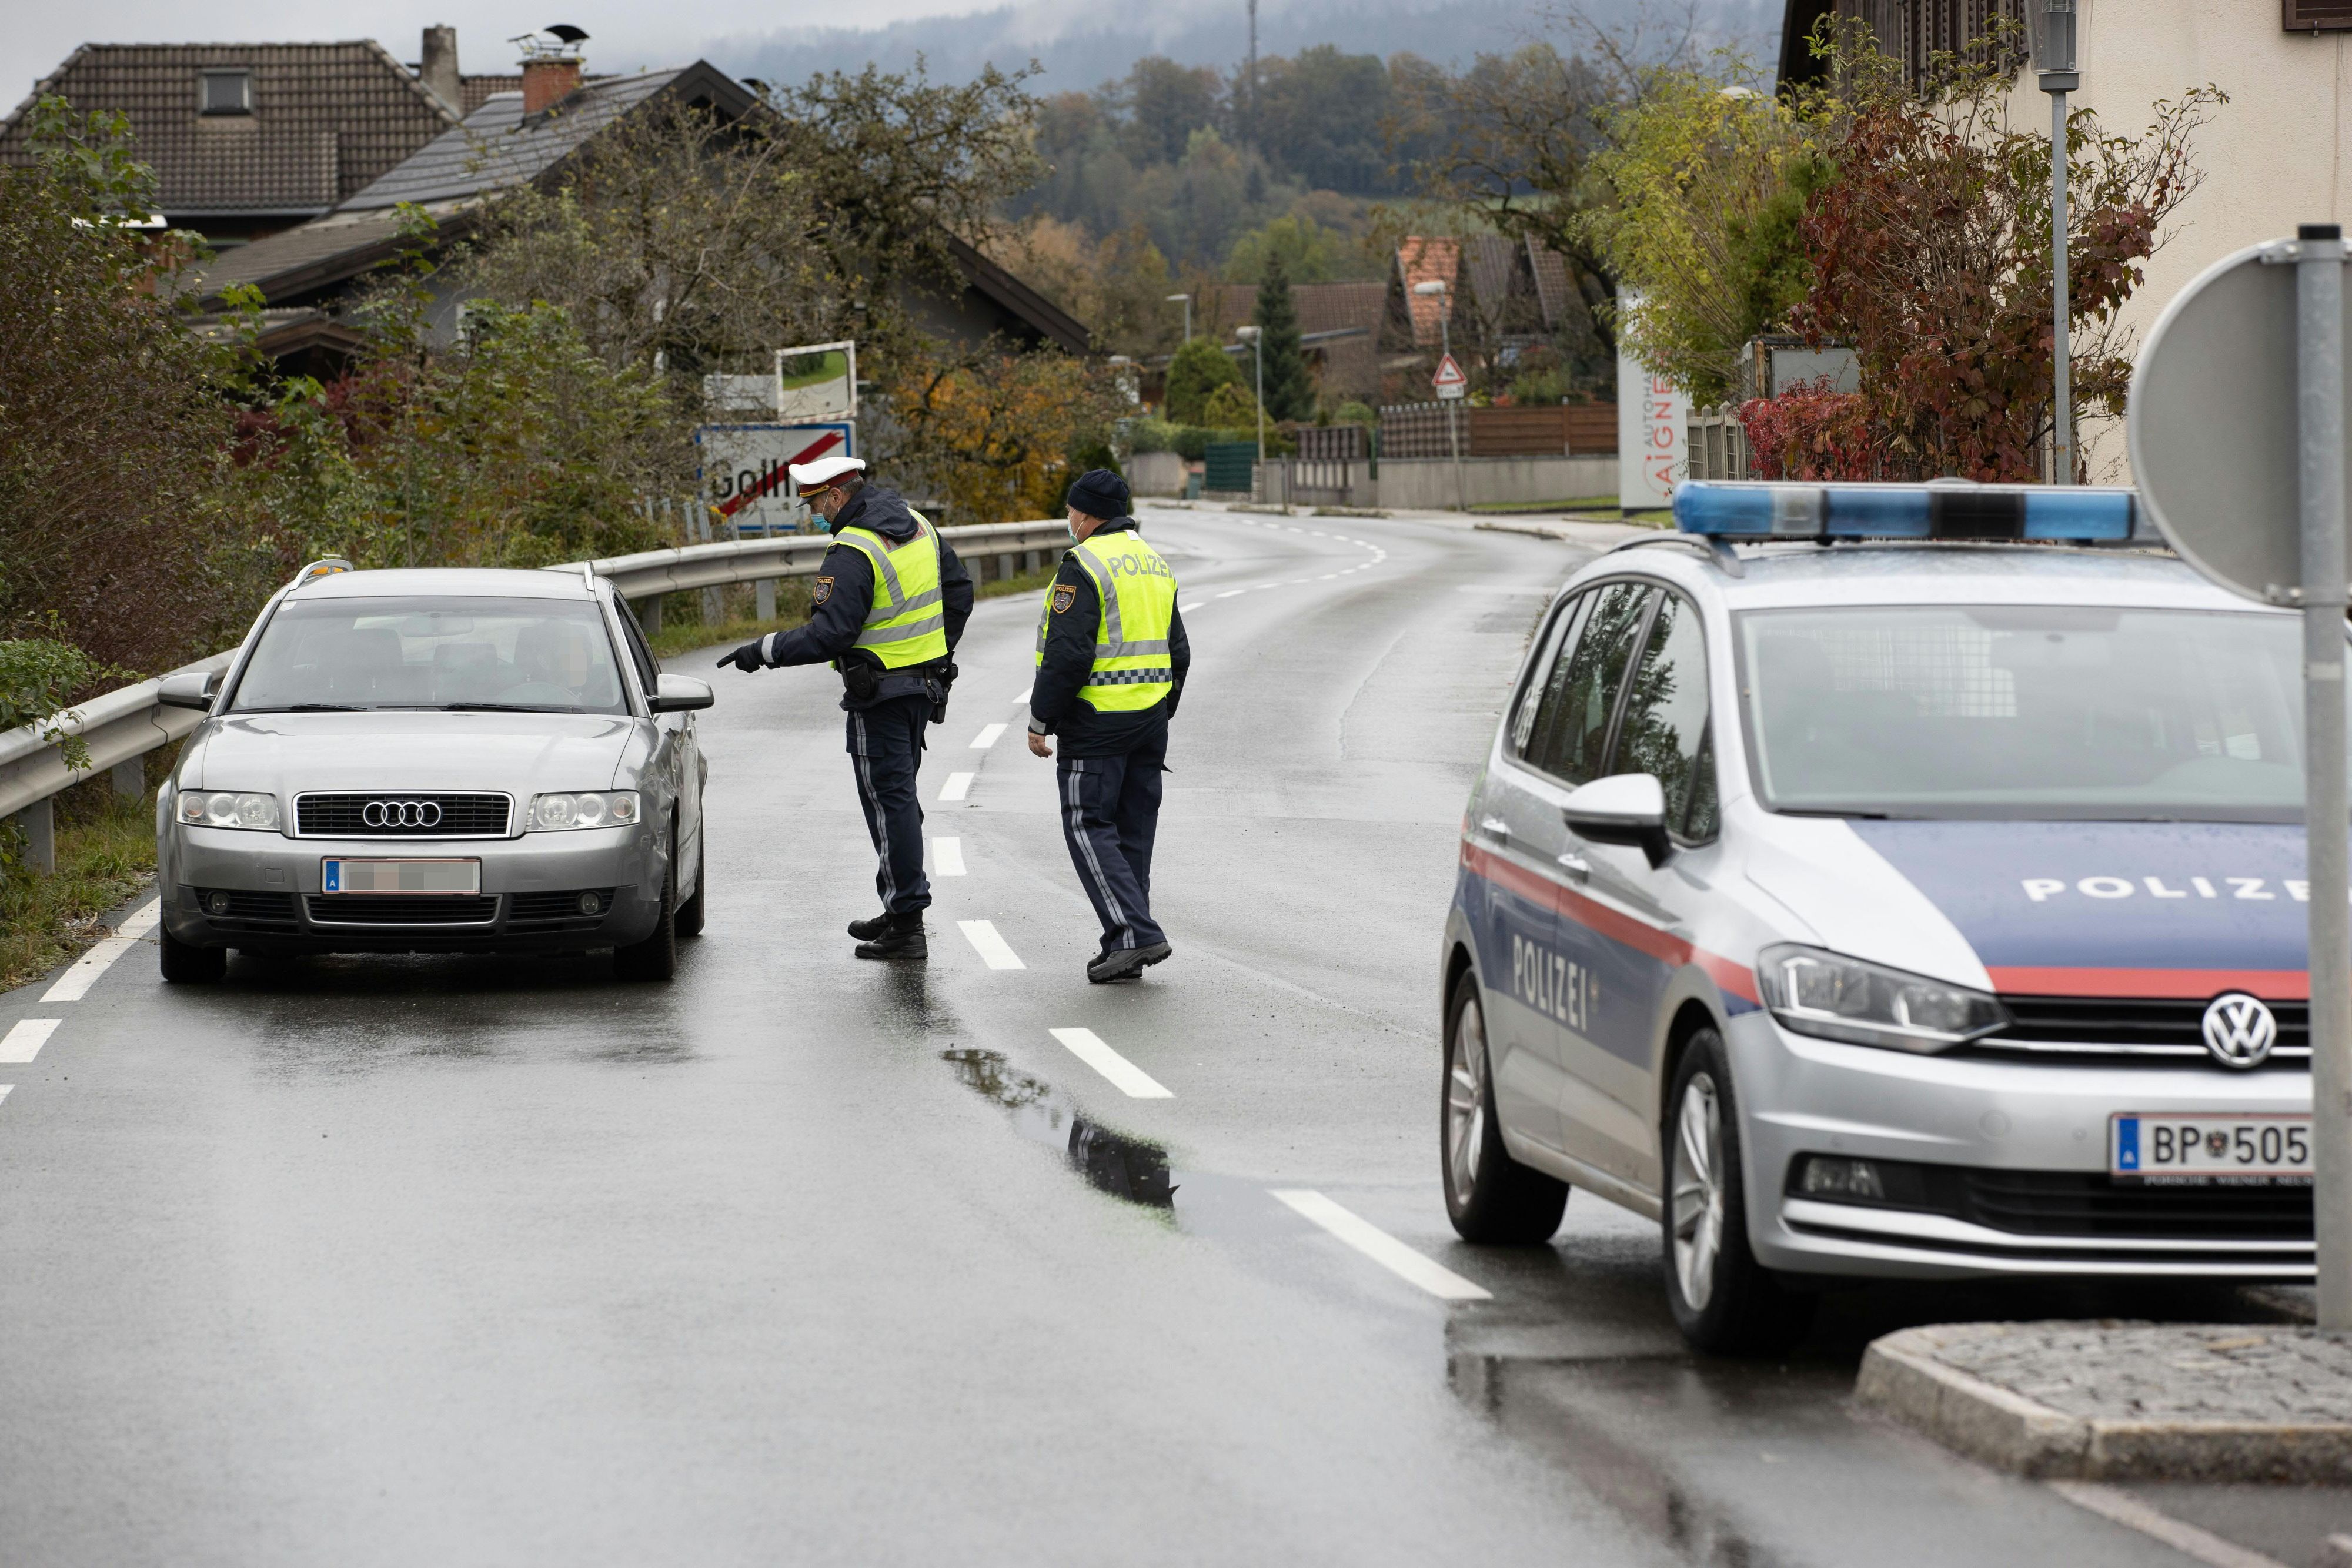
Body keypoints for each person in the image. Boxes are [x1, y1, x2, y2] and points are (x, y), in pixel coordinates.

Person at [719, 457, 971, 960]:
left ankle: (907, 924)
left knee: (890, 806)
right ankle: (898, 906)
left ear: (837, 495)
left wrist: (762, 651)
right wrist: (937, 654)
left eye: (815, 503)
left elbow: (829, 634)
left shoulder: (854, 547)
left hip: (879, 698)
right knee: (899, 802)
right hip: (922, 689)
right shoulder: (917, 524)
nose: (814, 514)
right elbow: (959, 592)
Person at [1027, 469, 1190, 982]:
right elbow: (1179, 650)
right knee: (1132, 833)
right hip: (1150, 720)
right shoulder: (1154, 562)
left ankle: (1136, 933)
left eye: (1070, 509)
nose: (1068, 517)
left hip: (1096, 722)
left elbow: (1068, 655)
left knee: (1088, 825)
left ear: (1086, 513)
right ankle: (1125, 944)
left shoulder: (1084, 565)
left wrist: (1041, 719)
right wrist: (1162, 707)